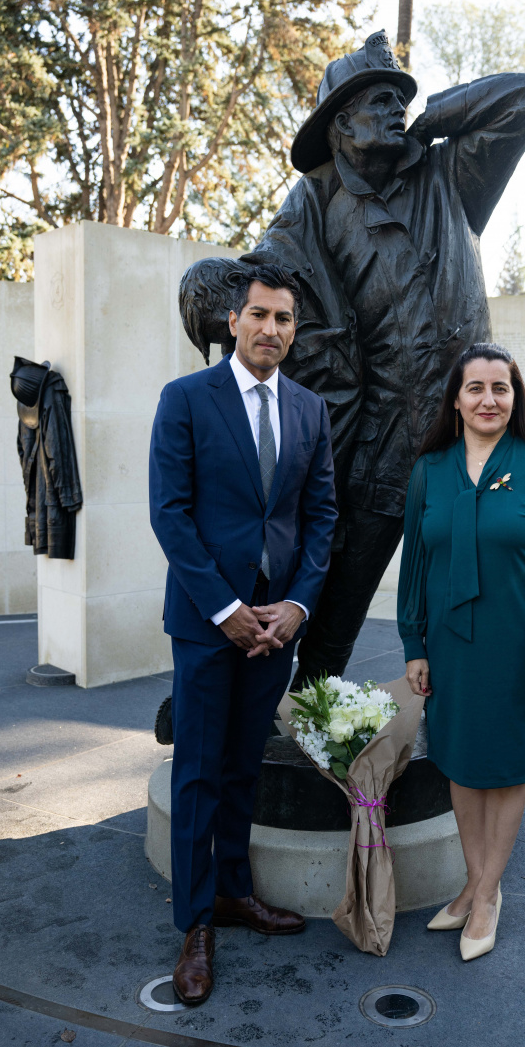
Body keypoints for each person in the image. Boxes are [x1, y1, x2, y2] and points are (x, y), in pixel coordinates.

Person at [197, 29, 525, 690]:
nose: (394, 109)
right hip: (382, 436)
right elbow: (265, 278)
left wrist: (431, 118)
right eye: (377, 100)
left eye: (398, 99)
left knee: (473, 594)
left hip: (474, 433)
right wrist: (209, 288)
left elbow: (522, 99)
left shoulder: (450, 174)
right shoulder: (317, 198)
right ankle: (298, 710)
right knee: (339, 591)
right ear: (339, 124)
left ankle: (467, 719)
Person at [149, 264, 337, 1005]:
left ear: (295, 330)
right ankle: (196, 925)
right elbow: (170, 513)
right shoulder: (186, 399)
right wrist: (225, 608)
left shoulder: (310, 410)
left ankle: (234, 892)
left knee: (242, 768)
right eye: (259, 314)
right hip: (208, 622)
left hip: (275, 624)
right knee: (198, 770)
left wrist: (297, 607)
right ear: (233, 321)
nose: (271, 329)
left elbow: (320, 518)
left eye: (284, 318)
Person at [398, 342, 525, 962]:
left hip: (516, 650)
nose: (488, 400)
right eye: (475, 387)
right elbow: (414, 567)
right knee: (459, 765)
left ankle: (485, 897)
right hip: (450, 649)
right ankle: (477, 884)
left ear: (514, 397)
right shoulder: (430, 471)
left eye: (500, 388)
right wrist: (414, 644)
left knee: (504, 769)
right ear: (456, 398)